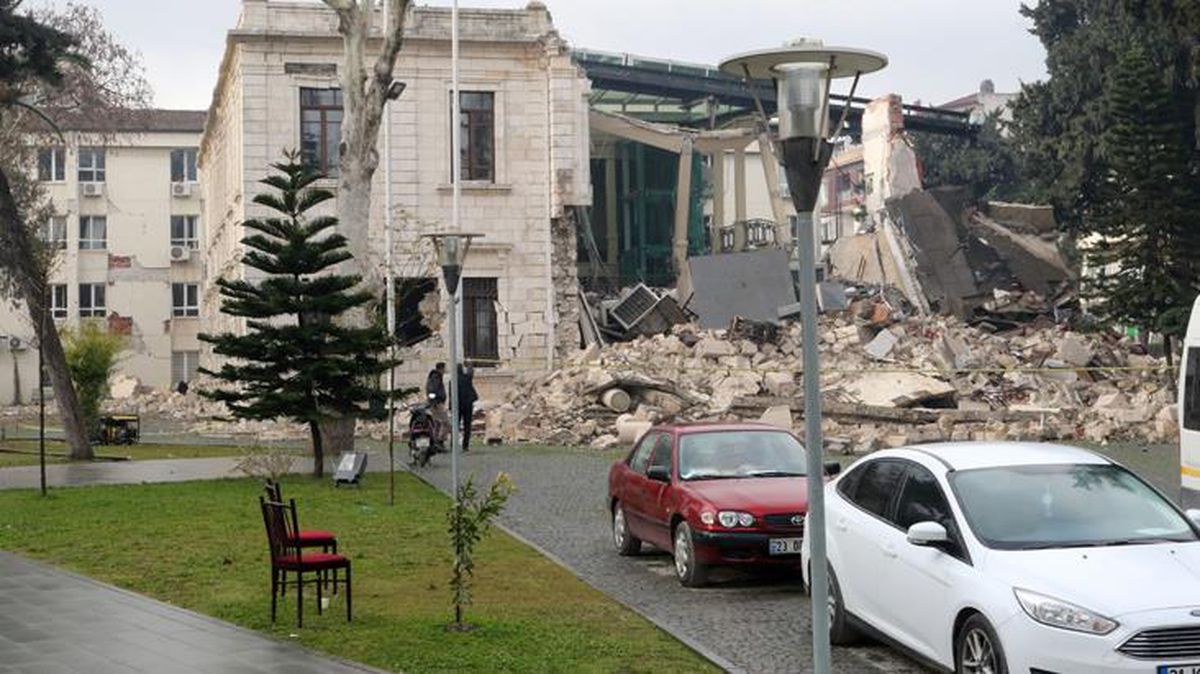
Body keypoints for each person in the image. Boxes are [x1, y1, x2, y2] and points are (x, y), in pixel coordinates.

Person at [457, 365, 479, 452]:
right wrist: (470, 364)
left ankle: (453, 444)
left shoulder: (453, 381)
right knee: (467, 426)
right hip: (467, 405)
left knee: (456, 426)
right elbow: (471, 372)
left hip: (458, 405)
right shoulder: (467, 378)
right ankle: (465, 446)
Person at [425, 362, 449, 442]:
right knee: (446, 422)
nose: (445, 370)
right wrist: (434, 402)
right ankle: (440, 440)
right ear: (441, 369)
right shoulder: (435, 377)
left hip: (436, 403)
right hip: (437, 403)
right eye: (444, 368)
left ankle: (435, 440)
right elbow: (432, 391)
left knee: (437, 423)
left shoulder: (437, 377)